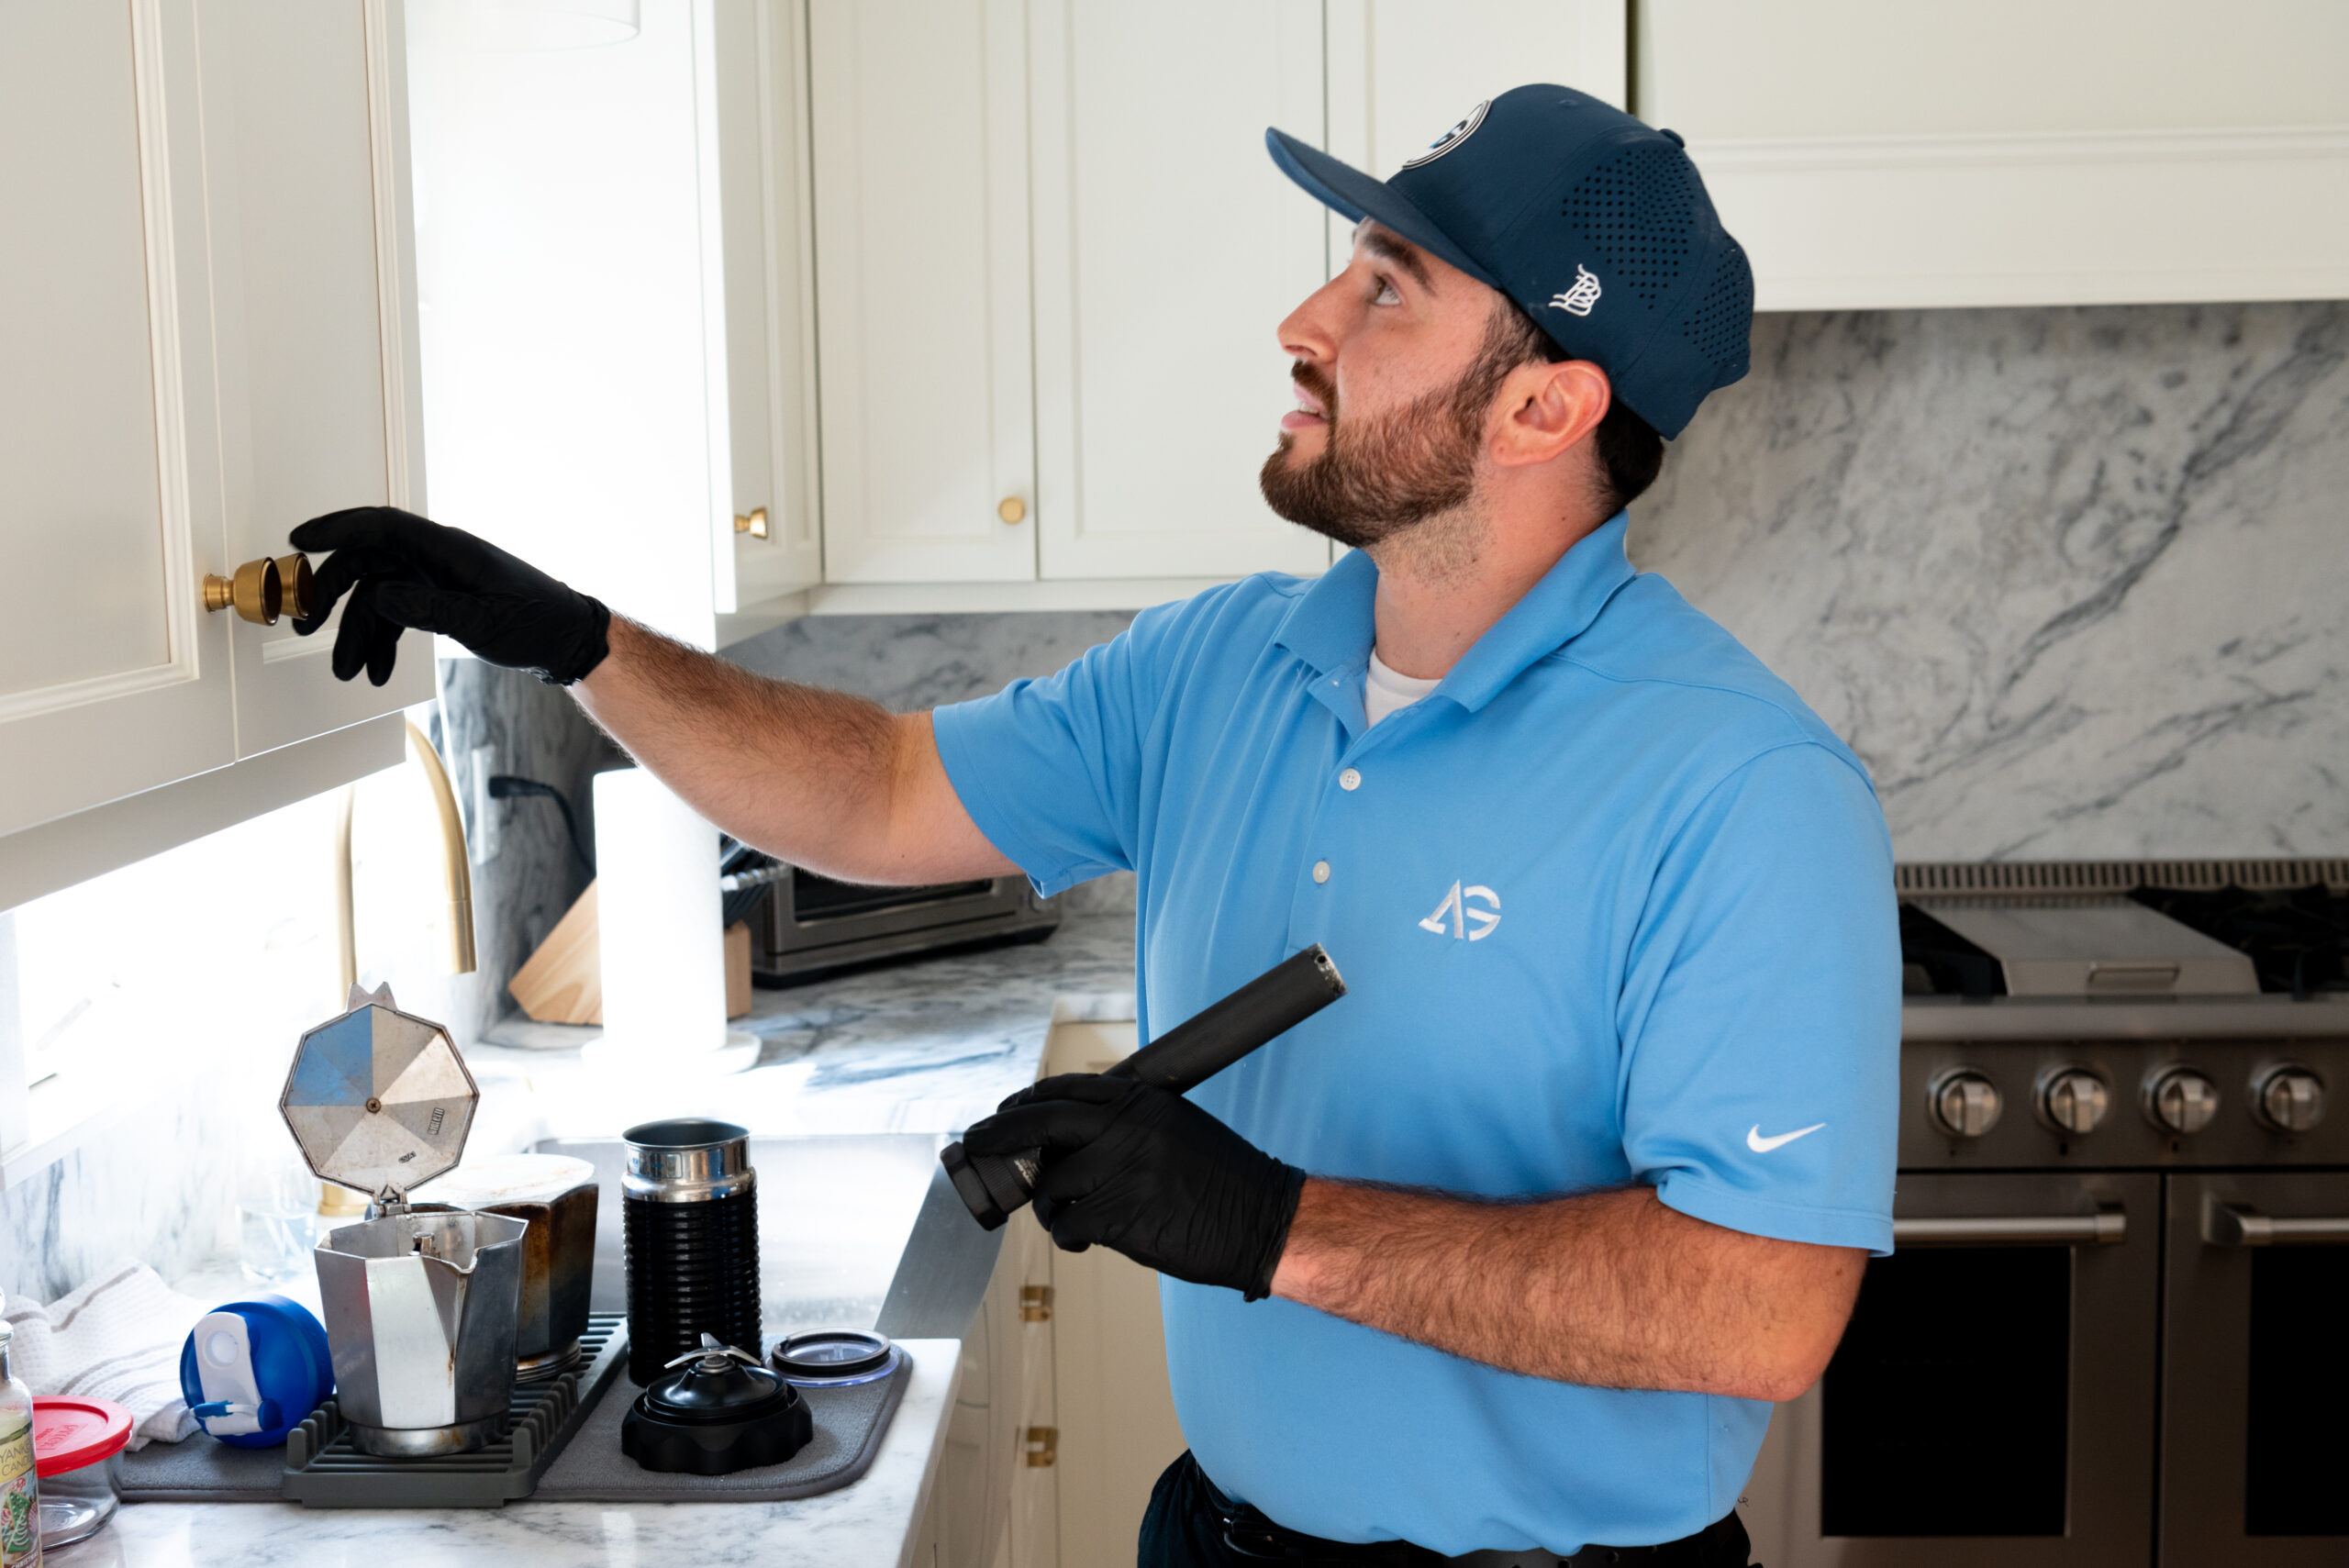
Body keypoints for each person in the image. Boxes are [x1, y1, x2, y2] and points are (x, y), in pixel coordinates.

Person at [293, 85, 1898, 1567]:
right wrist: (584, 646)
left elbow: (1757, 1306)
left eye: (1389, 287)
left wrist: (1273, 1226)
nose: (1307, 322)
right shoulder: (1224, 666)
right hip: (1216, 1540)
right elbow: (880, 788)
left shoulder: (1738, 787)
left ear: (1546, 405)